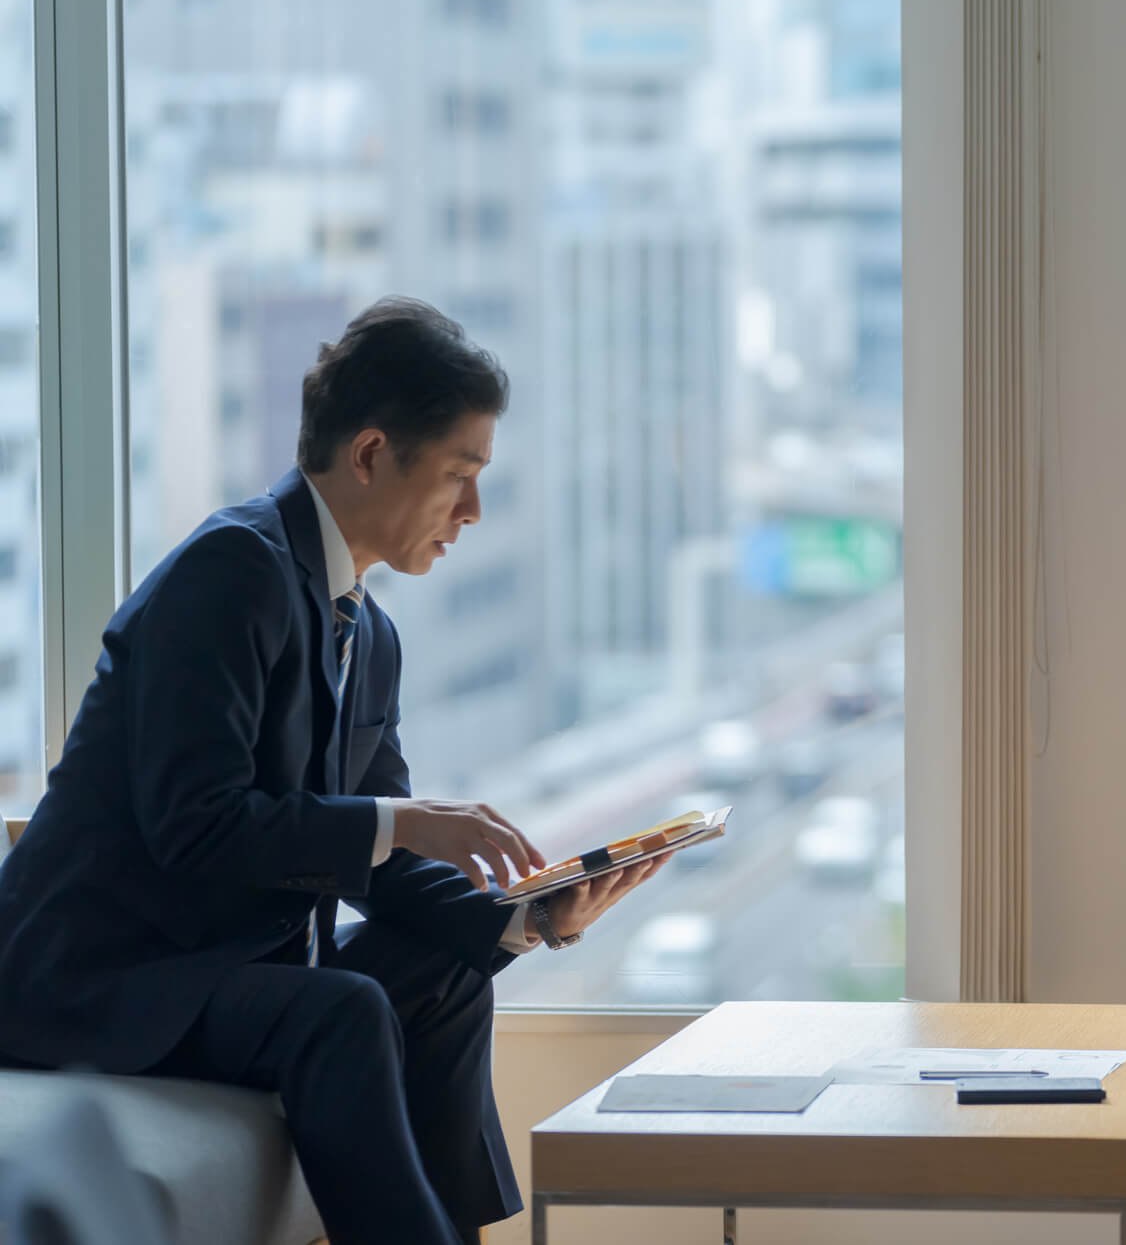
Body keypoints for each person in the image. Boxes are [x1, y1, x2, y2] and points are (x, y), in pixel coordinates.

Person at [0, 298, 666, 1244]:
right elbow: (195, 826)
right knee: (340, 1008)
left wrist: (533, 914)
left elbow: (379, 864)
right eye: (459, 475)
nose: (473, 510)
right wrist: (402, 818)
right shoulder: (230, 573)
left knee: (443, 975)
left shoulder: (370, 632)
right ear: (369, 453)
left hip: (212, 971)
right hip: (98, 979)